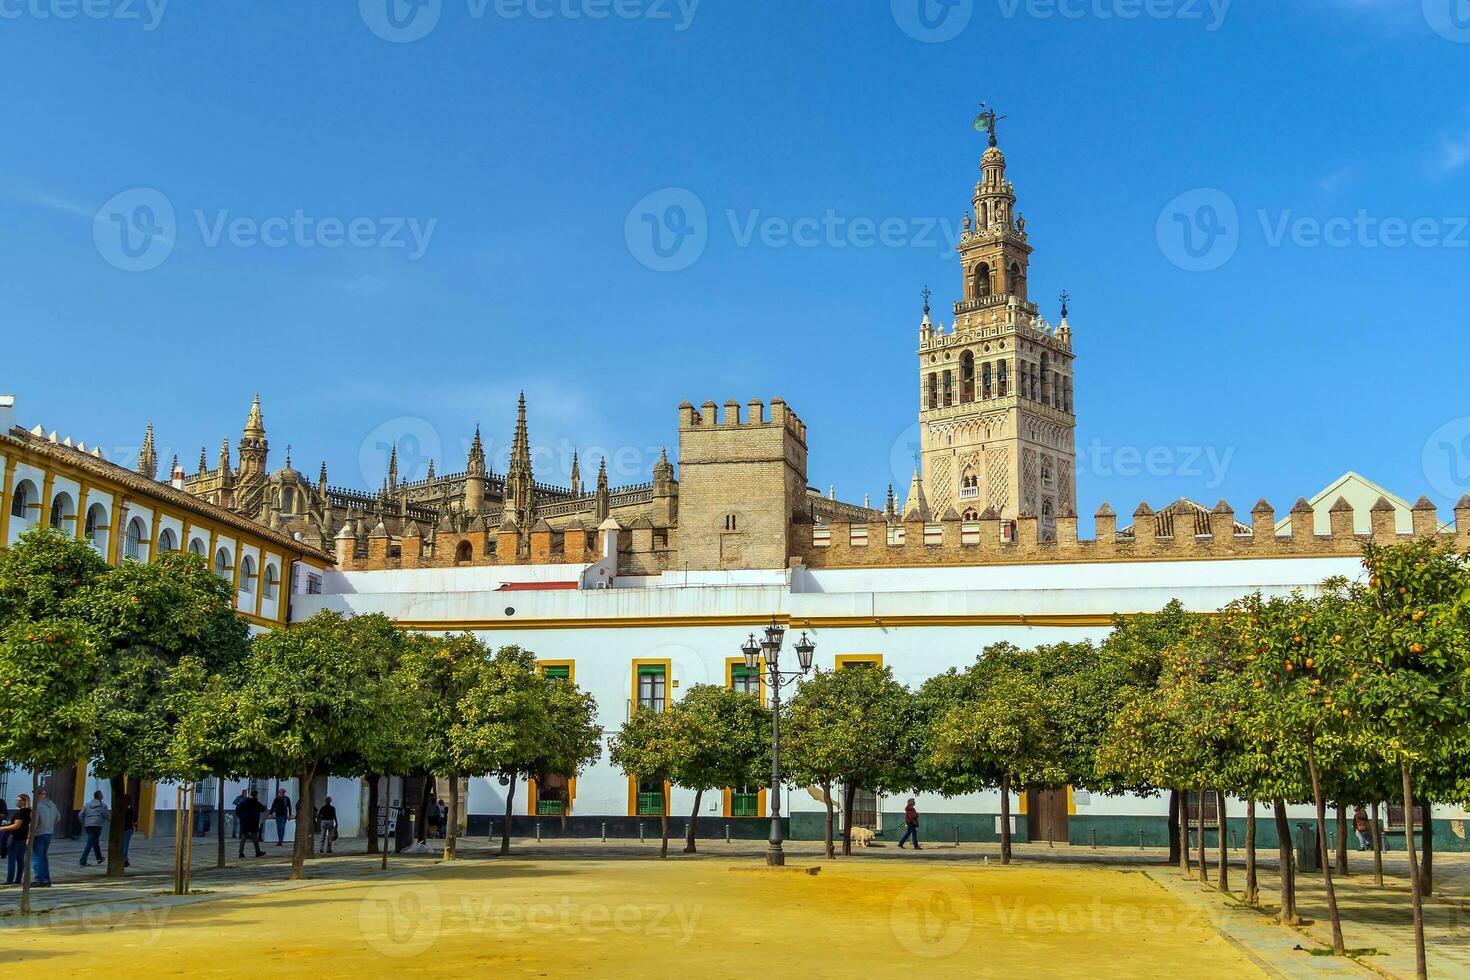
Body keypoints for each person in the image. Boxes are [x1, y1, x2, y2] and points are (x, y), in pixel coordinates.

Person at [31, 787, 60, 886]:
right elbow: (58, 818)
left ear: (37, 795)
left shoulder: (37, 806)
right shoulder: (52, 804)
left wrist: (30, 833)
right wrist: (50, 825)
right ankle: (46, 879)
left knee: (37, 857)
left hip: (38, 833)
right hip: (48, 833)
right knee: (43, 856)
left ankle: (39, 879)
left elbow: (34, 822)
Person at [2, 794, 29, 885]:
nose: (17, 802)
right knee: (20, 859)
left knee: (12, 859)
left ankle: (10, 879)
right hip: (23, 837)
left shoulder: (20, 812)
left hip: (16, 837)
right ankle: (18, 879)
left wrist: (2, 828)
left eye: (19, 800)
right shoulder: (28, 811)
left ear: (24, 801)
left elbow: (17, 825)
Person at [80, 790, 109, 867]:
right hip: (96, 826)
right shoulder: (102, 806)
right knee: (90, 843)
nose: (103, 796)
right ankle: (83, 860)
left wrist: (84, 822)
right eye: (102, 794)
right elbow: (107, 815)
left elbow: (80, 814)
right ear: (100, 797)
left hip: (88, 826)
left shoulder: (87, 805)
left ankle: (99, 858)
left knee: (95, 842)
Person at [236, 790, 266, 858]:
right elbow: (263, 809)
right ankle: (257, 852)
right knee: (255, 838)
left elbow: (237, 810)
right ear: (256, 795)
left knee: (243, 838)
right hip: (253, 822)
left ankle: (241, 852)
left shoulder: (243, 802)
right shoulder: (256, 802)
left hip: (245, 822)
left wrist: (241, 817)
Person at [121, 794, 137, 868]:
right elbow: (133, 818)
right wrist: (135, 824)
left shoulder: (120, 808)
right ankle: (124, 859)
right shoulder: (129, 809)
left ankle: (125, 859)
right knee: (125, 845)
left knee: (123, 844)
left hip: (121, 828)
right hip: (128, 828)